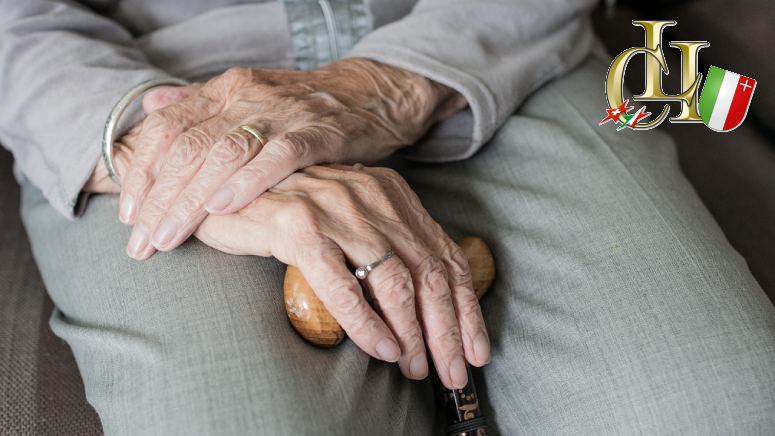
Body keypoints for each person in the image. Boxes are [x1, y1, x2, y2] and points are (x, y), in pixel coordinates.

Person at [2, 0, 774, 435]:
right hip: (138, 86)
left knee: (718, 408)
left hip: (491, 42)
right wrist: (176, 147)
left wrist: (384, 85)